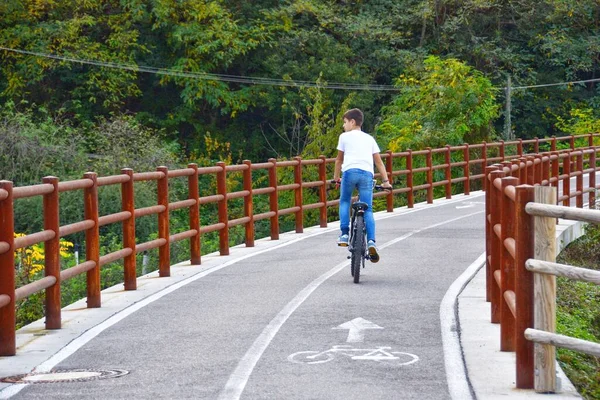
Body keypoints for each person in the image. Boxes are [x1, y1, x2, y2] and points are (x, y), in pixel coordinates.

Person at [332, 108, 392, 263]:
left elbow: (339, 160)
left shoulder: (344, 137)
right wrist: (386, 182)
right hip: (367, 174)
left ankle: (344, 234)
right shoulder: (369, 139)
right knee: (368, 208)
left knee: (345, 201)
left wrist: (336, 178)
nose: (344, 126)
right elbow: (378, 162)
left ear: (352, 122)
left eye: (345, 122)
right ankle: (371, 241)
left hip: (350, 172)